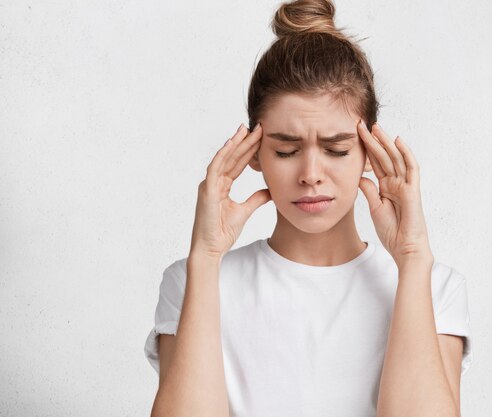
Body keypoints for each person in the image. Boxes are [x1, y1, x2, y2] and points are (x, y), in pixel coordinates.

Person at [145, 0, 473, 416]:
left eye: (336, 149)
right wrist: (206, 258)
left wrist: (412, 259)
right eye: (286, 151)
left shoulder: (433, 288)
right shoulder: (193, 282)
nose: (311, 174)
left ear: (370, 152)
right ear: (253, 153)